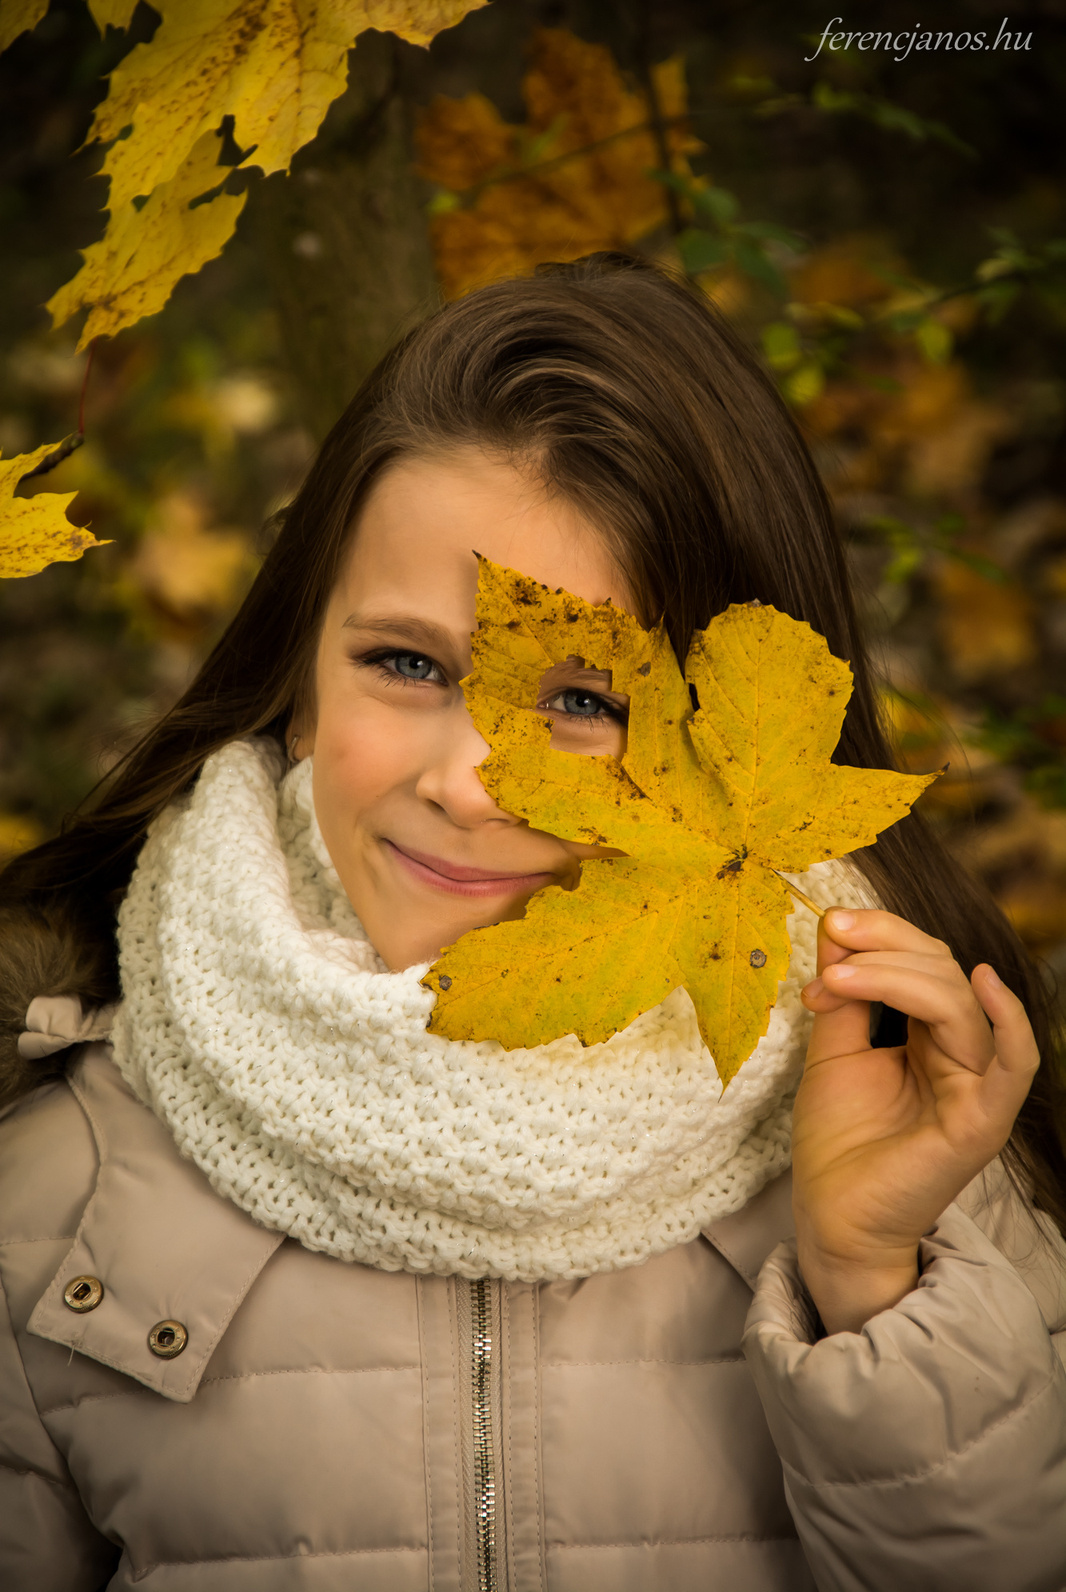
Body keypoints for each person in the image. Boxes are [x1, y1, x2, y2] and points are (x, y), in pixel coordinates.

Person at [0, 252, 1064, 1592]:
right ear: (297, 680)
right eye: (403, 664)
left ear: (739, 744)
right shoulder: (50, 1189)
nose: (465, 778)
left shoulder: (917, 1160)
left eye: (580, 699)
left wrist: (871, 1283)